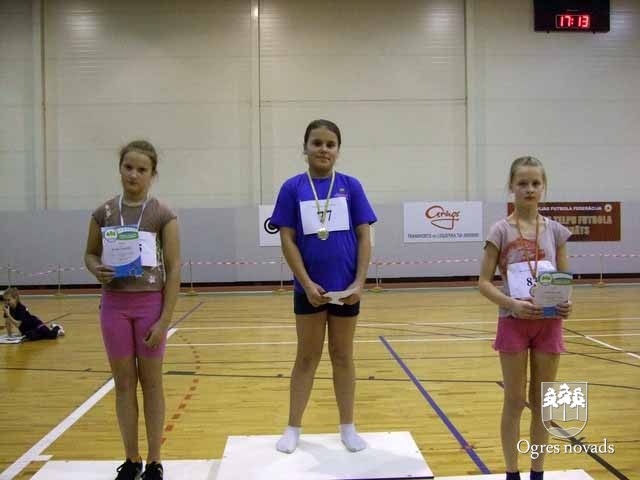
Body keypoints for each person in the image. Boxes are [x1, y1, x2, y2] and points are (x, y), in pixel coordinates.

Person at [269, 119, 377, 454]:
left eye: (330, 144)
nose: (323, 149)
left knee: (343, 356)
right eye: (317, 143)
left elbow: (364, 236)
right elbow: (287, 239)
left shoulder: (351, 186)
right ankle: (293, 427)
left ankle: (348, 427)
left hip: (346, 290)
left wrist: (359, 282)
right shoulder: (292, 188)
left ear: (338, 150)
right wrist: (305, 283)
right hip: (309, 290)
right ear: (305, 148)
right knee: (306, 357)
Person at [84, 140, 180, 480]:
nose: (134, 175)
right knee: (124, 384)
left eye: (142, 169)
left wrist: (165, 320)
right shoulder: (104, 213)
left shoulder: (162, 214)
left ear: (153, 174)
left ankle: (154, 460)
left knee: (151, 383)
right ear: (120, 169)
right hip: (114, 307)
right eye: (128, 167)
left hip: (150, 307)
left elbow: (174, 268)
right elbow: (90, 254)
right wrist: (96, 268)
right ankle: (131, 458)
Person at [478, 156, 573, 480]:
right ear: (511, 186)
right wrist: (512, 304)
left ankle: (537, 472)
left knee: (542, 402)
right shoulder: (500, 230)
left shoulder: (556, 231)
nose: (529, 189)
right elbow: (483, 282)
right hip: (514, 323)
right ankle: (512, 473)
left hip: (549, 324)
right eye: (522, 183)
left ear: (543, 187)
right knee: (515, 401)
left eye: (535, 183)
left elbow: (564, 280)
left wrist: (567, 304)